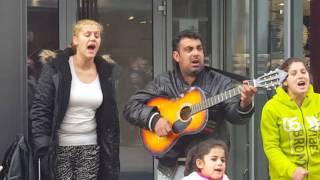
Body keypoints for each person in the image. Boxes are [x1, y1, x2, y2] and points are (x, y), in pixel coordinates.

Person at [123, 30, 257, 179]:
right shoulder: (164, 82)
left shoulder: (220, 82)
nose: (196, 53)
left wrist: (245, 102)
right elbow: (132, 106)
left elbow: (236, 116)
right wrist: (154, 119)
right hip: (170, 167)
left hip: (206, 170)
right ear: (176, 56)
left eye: (199, 48)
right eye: (189, 49)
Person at [30, 19, 120, 180]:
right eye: (87, 34)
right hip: (59, 149)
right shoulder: (56, 68)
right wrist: (42, 146)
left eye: (97, 36)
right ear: (76, 40)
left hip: (90, 148)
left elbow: (110, 116)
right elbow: (41, 109)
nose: (93, 38)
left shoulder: (105, 72)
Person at [260, 57, 320, 180]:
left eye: (303, 72)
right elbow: (271, 147)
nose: (300, 76)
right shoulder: (271, 108)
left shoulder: (318, 102)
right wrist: (291, 170)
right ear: (285, 81)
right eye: (294, 73)